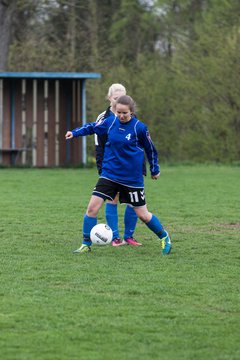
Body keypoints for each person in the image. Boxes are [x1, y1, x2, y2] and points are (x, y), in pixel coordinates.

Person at [65, 95, 172, 255]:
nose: (121, 116)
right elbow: (92, 127)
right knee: (92, 209)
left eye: (125, 113)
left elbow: (150, 149)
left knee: (142, 215)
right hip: (110, 174)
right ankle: (86, 244)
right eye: (119, 112)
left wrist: (154, 169)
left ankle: (164, 237)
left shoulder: (139, 128)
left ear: (131, 112)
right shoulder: (110, 122)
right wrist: (74, 133)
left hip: (132, 179)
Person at [94, 83, 143, 247]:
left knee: (133, 202)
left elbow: (139, 143)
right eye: (116, 99)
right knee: (112, 200)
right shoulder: (104, 118)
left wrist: (142, 166)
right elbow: (99, 145)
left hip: (130, 169)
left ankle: (129, 236)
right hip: (112, 168)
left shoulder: (130, 117)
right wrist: (102, 169)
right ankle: (114, 237)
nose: (119, 102)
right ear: (109, 98)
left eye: (122, 98)